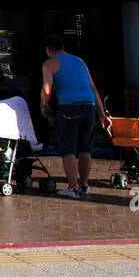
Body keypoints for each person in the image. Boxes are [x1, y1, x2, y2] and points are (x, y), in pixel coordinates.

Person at [41, 34, 111, 199]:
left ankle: (72, 187)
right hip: (89, 106)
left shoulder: (50, 63)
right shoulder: (79, 61)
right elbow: (93, 88)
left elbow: (46, 89)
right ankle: (84, 185)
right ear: (63, 47)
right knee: (85, 149)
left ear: (48, 50)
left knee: (68, 149)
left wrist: (44, 105)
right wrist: (102, 113)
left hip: (68, 108)